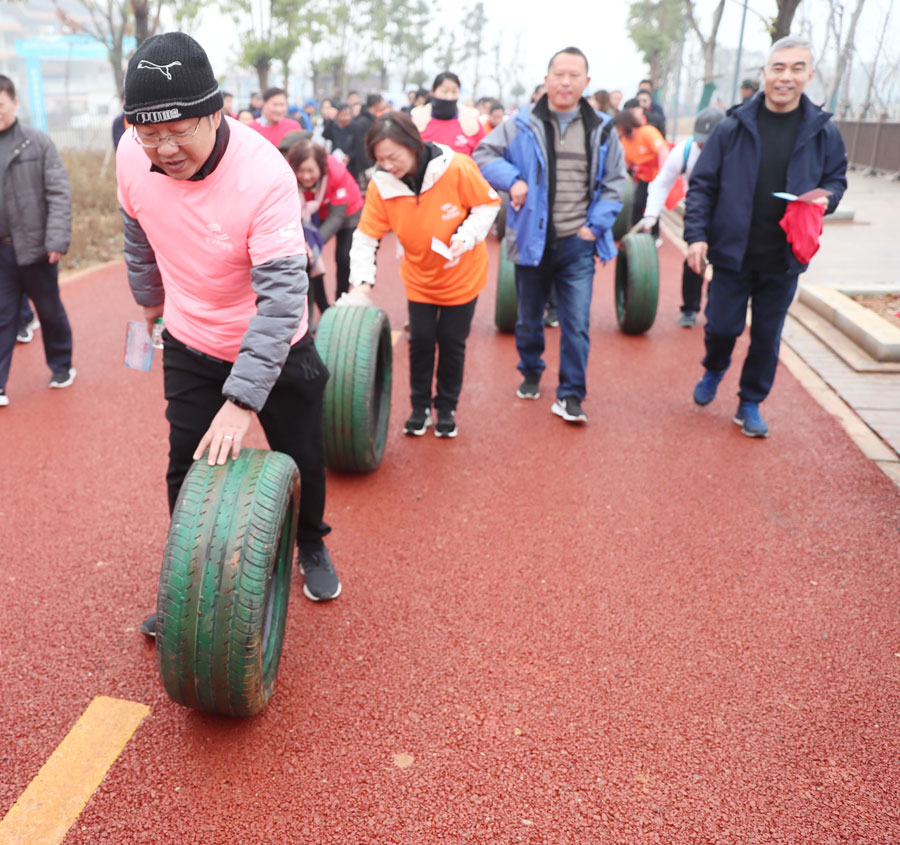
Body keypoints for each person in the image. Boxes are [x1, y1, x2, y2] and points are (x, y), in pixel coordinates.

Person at [116, 33, 341, 637]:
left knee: (303, 458)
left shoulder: (265, 174)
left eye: (178, 130)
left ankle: (312, 545)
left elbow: (282, 299)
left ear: (216, 113)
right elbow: (137, 234)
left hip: (277, 342)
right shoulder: (129, 153)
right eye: (148, 133)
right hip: (191, 337)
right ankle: (186, 584)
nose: (163, 148)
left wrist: (242, 402)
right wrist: (150, 304)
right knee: (184, 467)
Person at [684, 36, 847, 438]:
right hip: (732, 252)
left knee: (767, 336)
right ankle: (714, 367)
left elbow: (836, 180)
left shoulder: (824, 133)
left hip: (784, 255)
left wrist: (826, 199)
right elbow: (702, 185)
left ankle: (750, 402)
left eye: (796, 68)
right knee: (722, 326)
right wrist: (695, 236)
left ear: (809, 75)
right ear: (764, 74)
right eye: (778, 67)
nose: (785, 77)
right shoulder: (732, 127)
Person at [474, 47, 626, 425]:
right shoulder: (520, 123)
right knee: (528, 318)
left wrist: (594, 227)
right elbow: (483, 155)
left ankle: (571, 394)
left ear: (586, 83)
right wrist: (514, 180)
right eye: (559, 74)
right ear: (546, 79)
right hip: (531, 240)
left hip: (579, 242)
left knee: (576, 323)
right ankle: (530, 368)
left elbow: (614, 184)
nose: (565, 81)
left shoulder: (603, 129)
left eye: (574, 75)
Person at [347, 112, 500, 438]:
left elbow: (487, 204)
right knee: (421, 342)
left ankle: (446, 408)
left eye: (394, 156)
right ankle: (420, 408)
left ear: (413, 145)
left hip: (462, 274)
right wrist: (361, 283)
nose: (388, 164)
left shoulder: (456, 166)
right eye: (380, 158)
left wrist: (467, 236)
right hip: (419, 278)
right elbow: (366, 236)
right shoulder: (382, 184)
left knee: (452, 342)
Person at [0, 74, 75, 408]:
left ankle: (61, 366)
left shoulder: (37, 142)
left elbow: (59, 193)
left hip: (37, 248)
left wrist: (56, 238)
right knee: (3, 317)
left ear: (15, 103)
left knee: (48, 311)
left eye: (0, 104)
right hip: (2, 250)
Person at [639, 107, 726, 327]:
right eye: (700, 141)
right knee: (694, 259)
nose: (703, 146)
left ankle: (716, 308)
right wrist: (651, 215)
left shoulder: (736, 150)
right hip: (697, 210)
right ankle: (689, 308)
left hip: (727, 212)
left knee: (724, 261)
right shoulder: (684, 151)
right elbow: (662, 182)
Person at [287, 139, 363, 316]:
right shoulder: (286, 171)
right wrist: (307, 249)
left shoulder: (336, 172)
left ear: (321, 168)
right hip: (310, 212)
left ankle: (341, 303)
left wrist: (314, 244)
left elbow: (336, 218)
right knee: (310, 258)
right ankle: (322, 306)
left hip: (346, 212)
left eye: (311, 171)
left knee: (344, 257)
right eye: (301, 171)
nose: (306, 176)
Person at [615, 101, 667, 240]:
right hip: (643, 176)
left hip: (656, 176)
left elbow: (662, 151)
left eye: (619, 126)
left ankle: (655, 236)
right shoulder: (624, 141)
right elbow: (627, 162)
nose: (617, 130)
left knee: (653, 205)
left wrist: (662, 176)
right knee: (637, 203)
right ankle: (638, 236)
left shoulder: (647, 132)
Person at [411, 72, 485, 157]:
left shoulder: (472, 122)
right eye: (444, 91)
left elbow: (483, 156)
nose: (449, 97)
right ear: (432, 92)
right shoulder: (416, 120)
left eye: (454, 91)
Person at [348, 93, 383, 191]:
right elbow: (360, 146)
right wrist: (367, 165)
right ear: (376, 104)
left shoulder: (373, 119)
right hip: (365, 166)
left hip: (373, 162)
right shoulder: (362, 122)